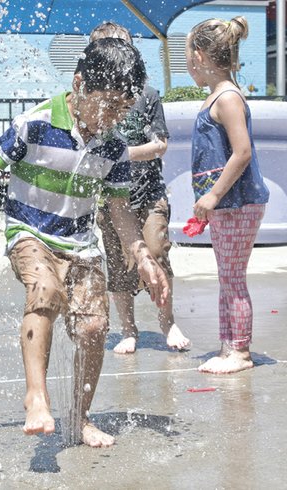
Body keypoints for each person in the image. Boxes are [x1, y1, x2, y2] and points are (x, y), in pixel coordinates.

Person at [0, 38, 170, 447]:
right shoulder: (34, 124)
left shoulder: (113, 147)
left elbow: (120, 210)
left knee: (94, 327)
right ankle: (36, 395)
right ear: (79, 85)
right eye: (107, 104)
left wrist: (142, 255)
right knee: (45, 291)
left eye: (123, 109)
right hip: (30, 232)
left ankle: (80, 417)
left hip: (80, 242)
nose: (113, 117)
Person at [91, 22, 190, 355]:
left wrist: (120, 156)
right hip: (110, 199)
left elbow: (160, 144)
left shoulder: (146, 94)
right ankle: (128, 330)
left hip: (148, 194)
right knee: (118, 265)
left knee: (157, 252)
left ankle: (168, 322)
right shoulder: (92, 98)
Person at [185, 17, 269, 374]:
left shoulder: (228, 98)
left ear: (200, 56)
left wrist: (212, 196)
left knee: (233, 279)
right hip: (228, 205)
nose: (186, 62)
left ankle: (240, 352)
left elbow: (243, 152)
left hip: (237, 203)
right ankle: (229, 347)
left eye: (186, 54)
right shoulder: (216, 97)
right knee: (227, 277)